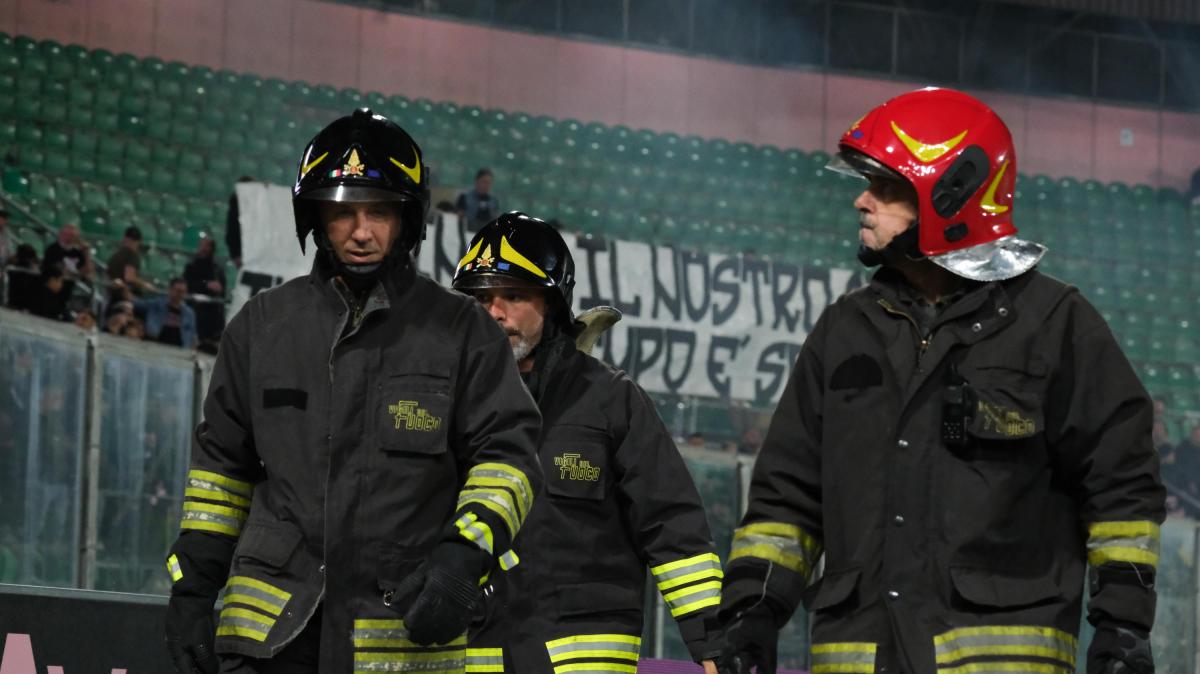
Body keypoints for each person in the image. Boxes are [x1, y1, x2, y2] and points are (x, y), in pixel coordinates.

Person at [715, 88, 1165, 674]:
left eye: (885, 188)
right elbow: (787, 495)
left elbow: (1121, 487)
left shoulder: (1056, 325)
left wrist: (1123, 625)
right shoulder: (844, 330)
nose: (861, 201)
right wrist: (752, 612)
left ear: (950, 196)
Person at [162, 109, 542, 674]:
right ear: (315, 216)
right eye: (343, 212)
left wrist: (465, 555)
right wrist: (192, 590)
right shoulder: (260, 327)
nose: (362, 232)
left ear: (407, 218)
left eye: (379, 211)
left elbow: (507, 459)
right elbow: (220, 471)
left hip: (398, 642)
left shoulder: (464, 331)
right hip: (269, 641)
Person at [453, 212, 722, 673]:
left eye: (514, 295)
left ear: (553, 304)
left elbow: (674, 529)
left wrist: (712, 645)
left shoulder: (610, 399)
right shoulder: (449, 400)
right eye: (480, 298)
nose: (494, 312)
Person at [183, 235, 226, 353]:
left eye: (207, 246)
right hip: (194, 308)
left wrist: (218, 288)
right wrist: (206, 285)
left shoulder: (217, 269)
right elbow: (187, 285)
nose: (203, 248)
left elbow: (222, 295)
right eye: (202, 245)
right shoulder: (191, 266)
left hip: (211, 312)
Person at [137, 277, 198, 349]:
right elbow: (137, 303)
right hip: (156, 344)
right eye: (178, 291)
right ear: (170, 289)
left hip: (180, 348)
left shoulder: (189, 313)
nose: (180, 294)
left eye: (183, 292)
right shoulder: (156, 304)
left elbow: (193, 336)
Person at [41, 222, 93, 299]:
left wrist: (87, 254)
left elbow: (88, 273)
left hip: (67, 291)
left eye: (72, 235)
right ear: (60, 234)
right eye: (66, 234)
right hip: (50, 290)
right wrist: (73, 273)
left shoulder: (77, 253)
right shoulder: (52, 249)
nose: (68, 238)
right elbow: (53, 268)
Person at [106, 227, 153, 295]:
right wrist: (145, 284)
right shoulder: (132, 255)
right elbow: (129, 277)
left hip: (111, 292)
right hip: (124, 294)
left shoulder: (116, 254)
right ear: (138, 242)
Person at [455, 168, 501, 232]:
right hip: (468, 231)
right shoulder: (465, 197)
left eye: (489, 183)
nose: (487, 185)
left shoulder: (494, 201)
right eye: (484, 182)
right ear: (476, 181)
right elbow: (458, 217)